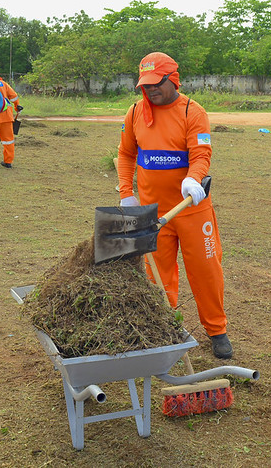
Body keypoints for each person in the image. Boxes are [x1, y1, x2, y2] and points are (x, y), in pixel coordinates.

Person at [117, 52, 232, 359]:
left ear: (172, 80)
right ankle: (165, 329)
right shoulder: (134, 113)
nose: (151, 90)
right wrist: (126, 192)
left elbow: (201, 154)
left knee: (206, 271)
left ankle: (217, 330)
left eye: (156, 83)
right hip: (154, 214)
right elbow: (127, 154)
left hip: (190, 210)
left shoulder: (192, 112)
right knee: (157, 276)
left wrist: (194, 179)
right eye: (145, 85)